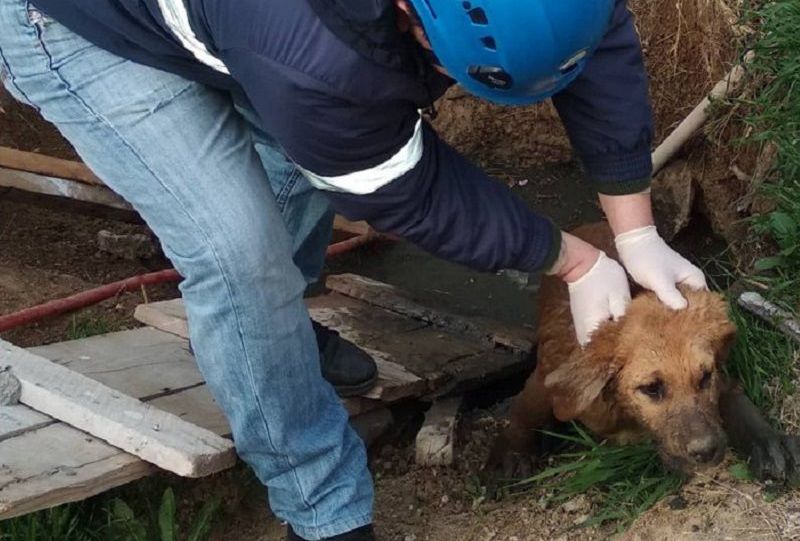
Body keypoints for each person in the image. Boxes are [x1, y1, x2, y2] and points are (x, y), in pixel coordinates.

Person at [0, 0, 707, 539]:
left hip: (236, 29)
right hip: (78, 28)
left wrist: (634, 225)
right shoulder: (317, 51)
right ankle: (322, 506)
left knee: (292, 176)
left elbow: (588, 35)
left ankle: (280, 338)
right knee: (238, 254)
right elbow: (396, 183)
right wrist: (575, 260)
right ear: (413, 19)